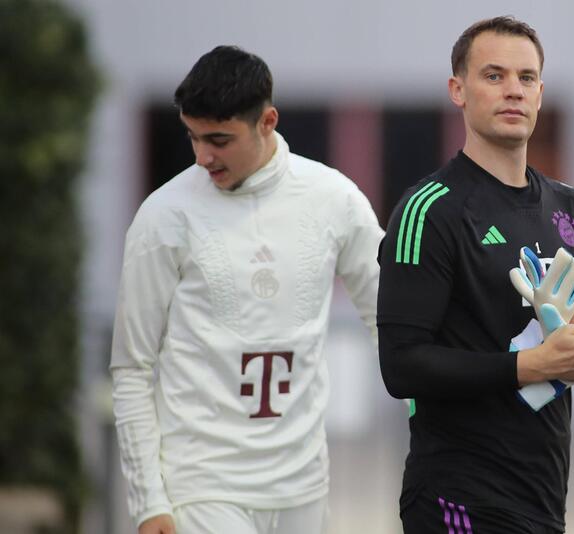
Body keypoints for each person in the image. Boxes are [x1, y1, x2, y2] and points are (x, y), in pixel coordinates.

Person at [377, 16, 574, 534]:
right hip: (456, 499)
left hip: (543, 500)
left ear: (541, 93)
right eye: (493, 76)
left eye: (526, 78)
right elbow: (401, 367)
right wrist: (532, 364)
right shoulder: (428, 210)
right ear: (458, 90)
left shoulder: (573, 209)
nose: (513, 91)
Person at [110, 45, 383, 534]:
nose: (202, 156)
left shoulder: (335, 198)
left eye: (218, 139)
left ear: (268, 121)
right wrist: (148, 500)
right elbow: (132, 366)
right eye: (193, 138)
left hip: (304, 484)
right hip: (202, 487)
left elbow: (391, 317)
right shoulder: (162, 215)